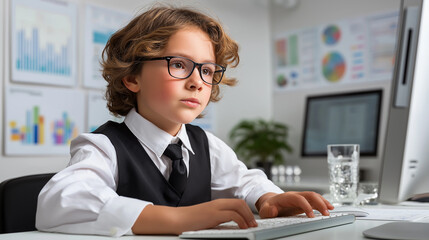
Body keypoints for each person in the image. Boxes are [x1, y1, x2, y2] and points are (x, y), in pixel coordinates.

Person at [36, 5, 334, 237]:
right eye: (178, 64)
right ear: (131, 76)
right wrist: (179, 218)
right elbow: (61, 201)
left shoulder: (206, 145)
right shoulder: (104, 146)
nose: (197, 82)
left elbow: (244, 182)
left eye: (206, 70)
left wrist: (267, 198)